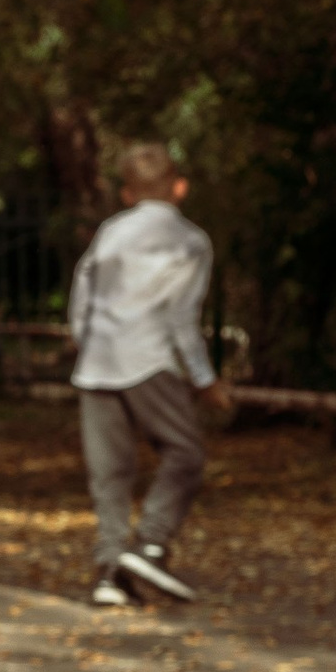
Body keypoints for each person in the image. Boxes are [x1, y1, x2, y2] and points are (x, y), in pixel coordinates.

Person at [69, 142, 222, 611]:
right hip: (147, 358)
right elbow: (181, 318)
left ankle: (110, 572)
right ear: (180, 188)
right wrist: (204, 378)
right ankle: (150, 546)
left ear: (126, 193)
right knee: (186, 453)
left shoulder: (111, 231)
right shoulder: (192, 241)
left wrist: (84, 340)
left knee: (110, 473)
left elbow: (82, 291)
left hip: (96, 361)